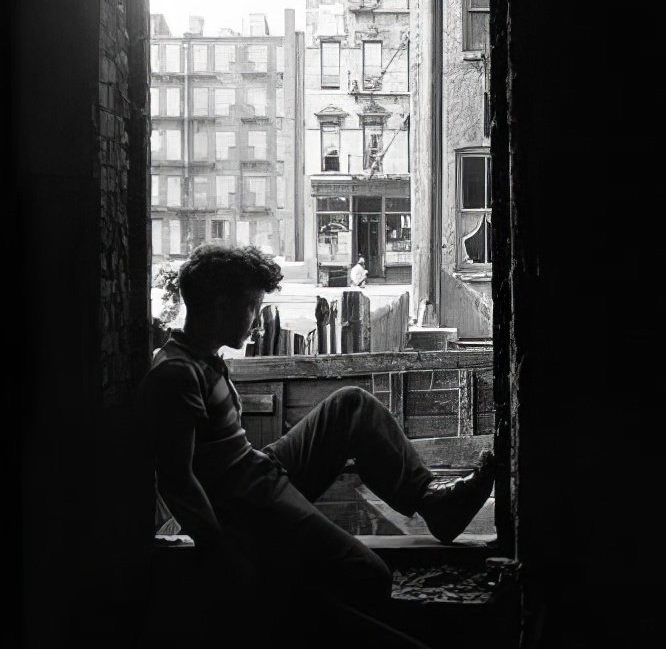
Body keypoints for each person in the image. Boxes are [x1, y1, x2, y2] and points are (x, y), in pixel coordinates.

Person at [135, 244, 495, 621]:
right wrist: (220, 552)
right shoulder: (176, 374)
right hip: (247, 505)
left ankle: (434, 503)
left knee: (350, 405)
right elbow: (177, 480)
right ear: (222, 306)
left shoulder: (200, 359)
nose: (257, 320)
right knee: (370, 576)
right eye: (252, 307)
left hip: (257, 472)